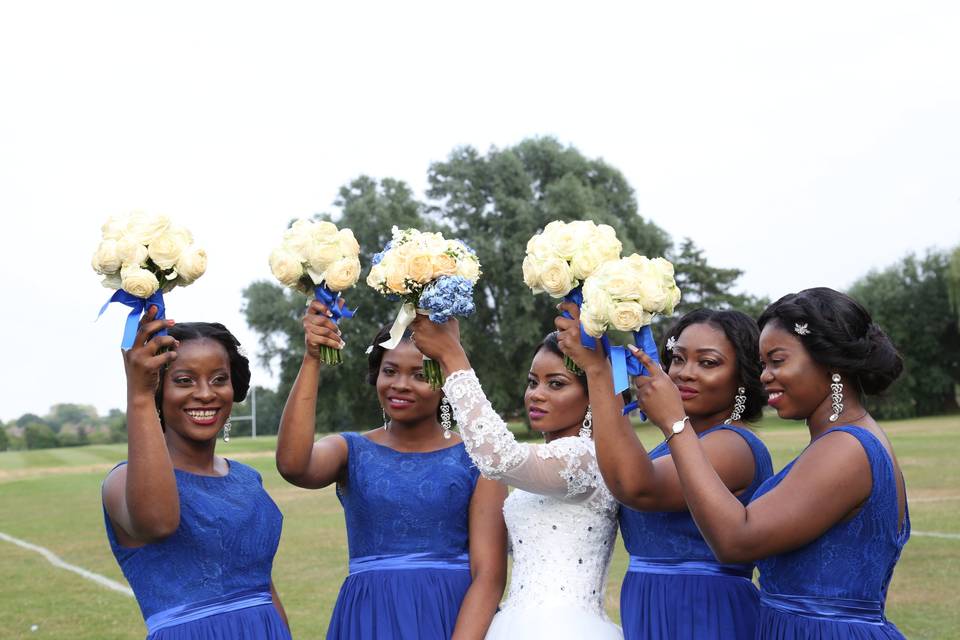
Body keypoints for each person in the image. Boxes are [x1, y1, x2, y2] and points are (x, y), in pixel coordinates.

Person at [631, 287, 909, 639]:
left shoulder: (847, 448)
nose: (764, 376)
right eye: (763, 364)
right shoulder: (842, 439)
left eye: (777, 361)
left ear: (831, 364)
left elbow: (736, 540)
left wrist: (676, 426)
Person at [275, 300, 507, 640]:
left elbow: (489, 576)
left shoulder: (478, 458)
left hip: (450, 617)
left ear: (444, 382)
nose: (400, 384)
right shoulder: (349, 450)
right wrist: (312, 358)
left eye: (418, 374)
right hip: (369, 619)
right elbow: (293, 466)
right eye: (390, 371)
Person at [556, 306, 773, 639]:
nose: (685, 373)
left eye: (708, 362)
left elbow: (637, 486)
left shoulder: (734, 445)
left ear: (743, 377)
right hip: (646, 602)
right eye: (679, 358)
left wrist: (598, 369)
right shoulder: (674, 445)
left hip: (703, 612)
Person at [410, 315, 623, 639]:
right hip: (512, 622)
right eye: (532, 381)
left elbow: (500, 458)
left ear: (592, 395)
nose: (536, 394)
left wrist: (453, 356)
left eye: (556, 383)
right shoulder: (549, 457)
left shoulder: (586, 459)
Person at [102, 307, 291, 639]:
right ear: (159, 389)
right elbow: (158, 523)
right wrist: (140, 394)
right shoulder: (122, 482)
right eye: (184, 380)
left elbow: (264, 586)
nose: (205, 393)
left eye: (219, 379)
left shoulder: (248, 479)